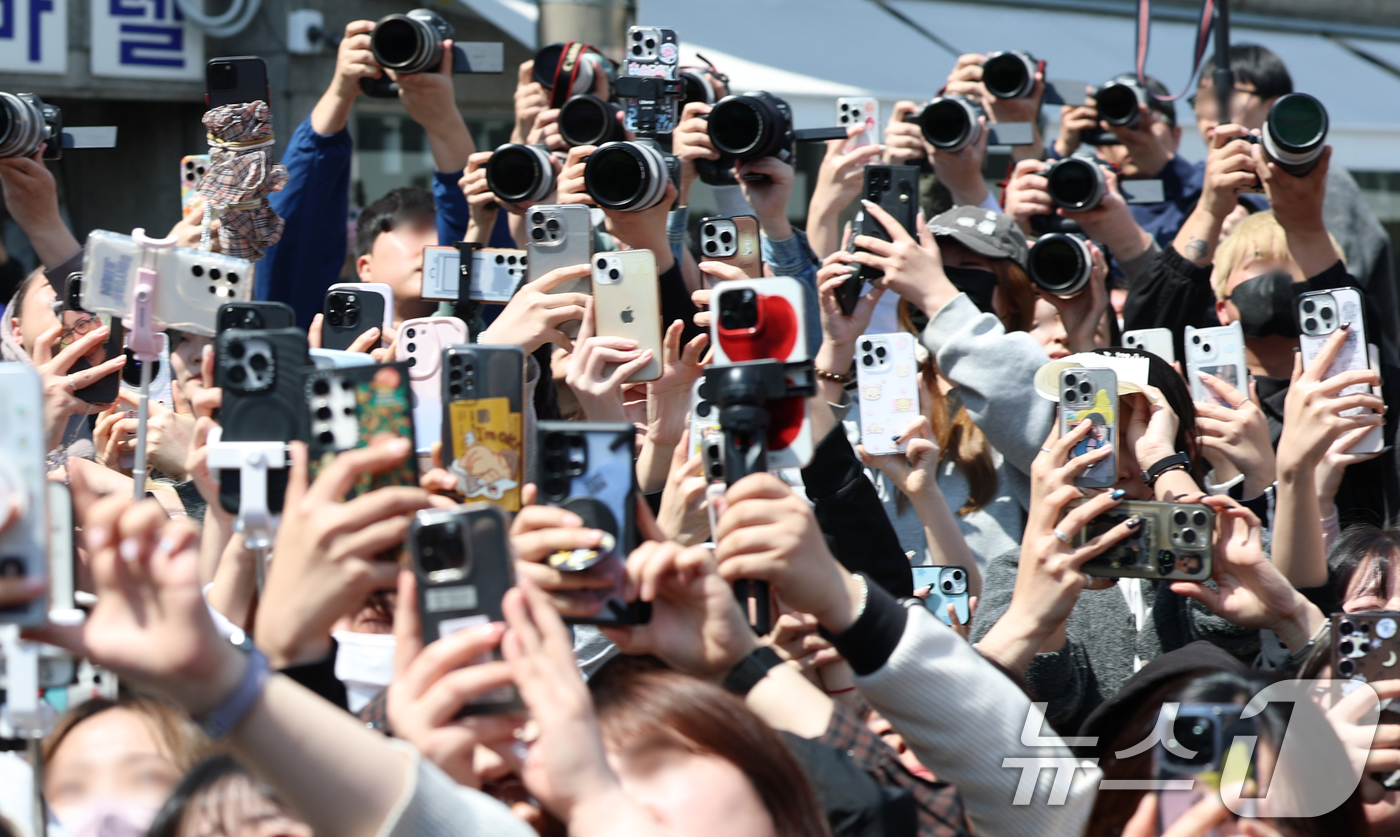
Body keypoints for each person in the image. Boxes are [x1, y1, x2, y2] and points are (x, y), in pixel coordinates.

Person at [256, 19, 475, 327]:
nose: (433, 244)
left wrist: (444, 118)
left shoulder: (484, 339)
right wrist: (341, 91)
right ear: (364, 266)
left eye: (439, 230)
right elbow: (293, 232)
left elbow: (473, 216)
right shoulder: (319, 339)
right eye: (413, 228)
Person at [1193, 43, 1400, 367]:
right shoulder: (1201, 189)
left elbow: (1336, 293)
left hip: (1333, 363)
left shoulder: (1315, 182)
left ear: (1276, 105)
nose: (1210, 108)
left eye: (1224, 94)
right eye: (1201, 96)